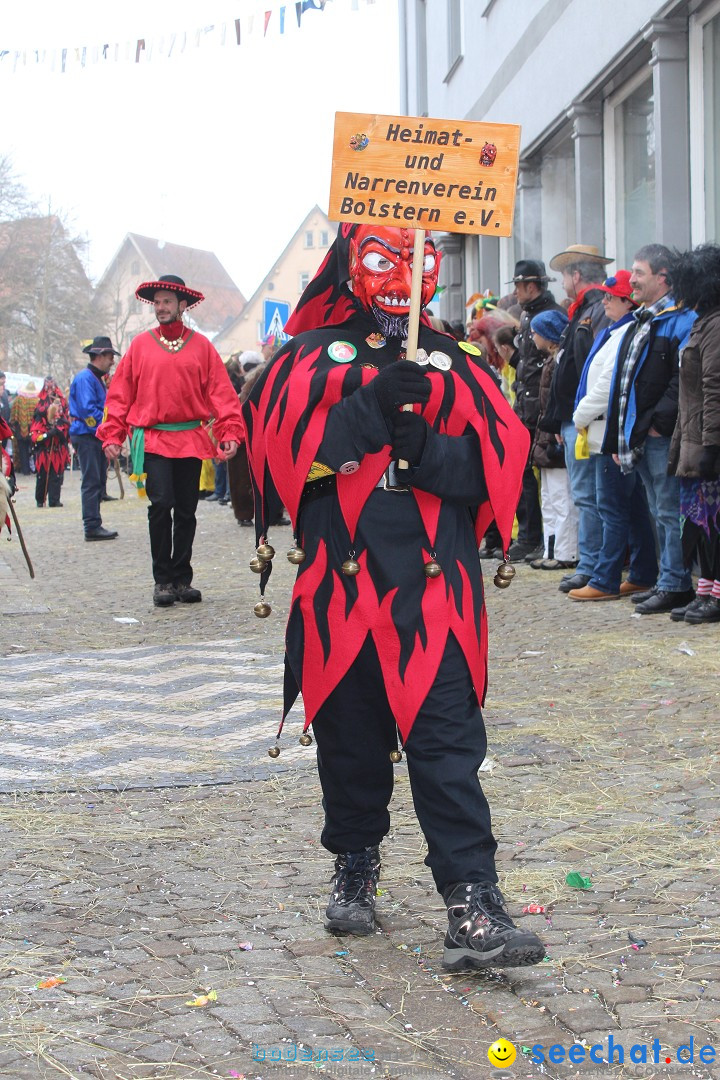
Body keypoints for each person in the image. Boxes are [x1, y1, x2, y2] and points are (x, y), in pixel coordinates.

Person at [243, 224, 545, 971]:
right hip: (344, 585)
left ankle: (473, 901)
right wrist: (370, 409)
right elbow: (285, 468)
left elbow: (501, 468)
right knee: (350, 744)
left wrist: (430, 452)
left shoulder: (459, 362)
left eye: (416, 259)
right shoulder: (308, 358)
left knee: (447, 744)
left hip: (434, 589)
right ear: (351, 264)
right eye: (384, 257)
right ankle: (354, 860)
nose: (403, 274)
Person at [98, 274, 244, 607]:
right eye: (157, 302)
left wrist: (229, 431)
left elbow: (222, 394)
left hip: (191, 438)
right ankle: (162, 579)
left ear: (182, 305)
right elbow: (119, 395)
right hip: (153, 440)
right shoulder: (140, 346)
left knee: (187, 511)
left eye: (167, 302)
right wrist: (113, 433)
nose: (160, 308)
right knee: (161, 504)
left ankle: (182, 578)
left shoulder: (203, 347)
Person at [603, 245, 697, 614]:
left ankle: (675, 583)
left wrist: (659, 424)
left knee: (669, 510)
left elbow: (681, 378)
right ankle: (667, 579)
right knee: (659, 509)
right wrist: (620, 435)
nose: (633, 279)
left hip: (658, 435)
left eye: (638, 272)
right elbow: (624, 385)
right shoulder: (645, 318)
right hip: (641, 435)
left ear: (662, 278)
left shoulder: (679, 319)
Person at [568, 272, 658, 600]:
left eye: (610, 297)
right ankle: (643, 572)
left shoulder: (623, 333)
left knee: (611, 507)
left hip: (608, 430)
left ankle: (606, 578)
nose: (604, 301)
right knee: (631, 507)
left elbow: (607, 384)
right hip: (605, 428)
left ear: (627, 301)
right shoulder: (616, 331)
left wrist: (579, 415)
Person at [543, 245, 611, 594]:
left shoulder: (594, 311)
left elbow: (593, 371)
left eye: (564, 276)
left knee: (587, 495)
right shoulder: (585, 311)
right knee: (585, 495)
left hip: (584, 419)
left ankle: (593, 565)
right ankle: (592, 564)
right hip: (575, 418)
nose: (563, 283)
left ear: (577, 275)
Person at [667, 244, 720, 623]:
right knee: (701, 524)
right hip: (693, 435)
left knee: (714, 522)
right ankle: (705, 589)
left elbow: (714, 386)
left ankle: (716, 594)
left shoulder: (716, 325)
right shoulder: (704, 322)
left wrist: (712, 445)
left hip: (707, 440)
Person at [506, 260, 563, 563]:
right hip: (525, 406)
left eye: (518, 286)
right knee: (524, 473)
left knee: (540, 477)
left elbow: (546, 369)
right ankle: (530, 535)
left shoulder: (550, 316)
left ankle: (538, 537)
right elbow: (528, 368)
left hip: (539, 409)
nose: (515, 293)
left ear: (532, 286)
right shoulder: (530, 315)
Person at [529, 309, 578, 570]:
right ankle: (552, 549)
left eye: (535, 332)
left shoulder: (560, 362)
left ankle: (567, 552)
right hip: (546, 437)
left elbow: (553, 404)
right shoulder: (550, 361)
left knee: (562, 499)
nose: (532, 337)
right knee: (549, 498)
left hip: (553, 438)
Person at [69, 337, 120, 541]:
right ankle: (91, 526)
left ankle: (94, 522)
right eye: (109, 357)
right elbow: (89, 411)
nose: (112, 361)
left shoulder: (94, 378)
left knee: (97, 479)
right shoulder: (85, 379)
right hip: (87, 434)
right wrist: (108, 430)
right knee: (91, 480)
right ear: (99, 356)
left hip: (93, 434)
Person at [31, 377, 70, 508]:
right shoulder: (39, 419)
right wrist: (48, 434)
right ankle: (40, 500)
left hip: (57, 451)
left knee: (56, 477)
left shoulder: (61, 419)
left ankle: (54, 500)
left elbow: (65, 434)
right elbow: (36, 437)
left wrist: (59, 432)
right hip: (44, 452)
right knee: (42, 477)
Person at [10, 381, 38, 475]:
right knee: (35, 450)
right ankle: (36, 469)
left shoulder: (18, 400)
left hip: (20, 429)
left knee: (23, 450)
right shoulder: (37, 400)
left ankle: (25, 470)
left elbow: (13, 416)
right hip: (33, 429)